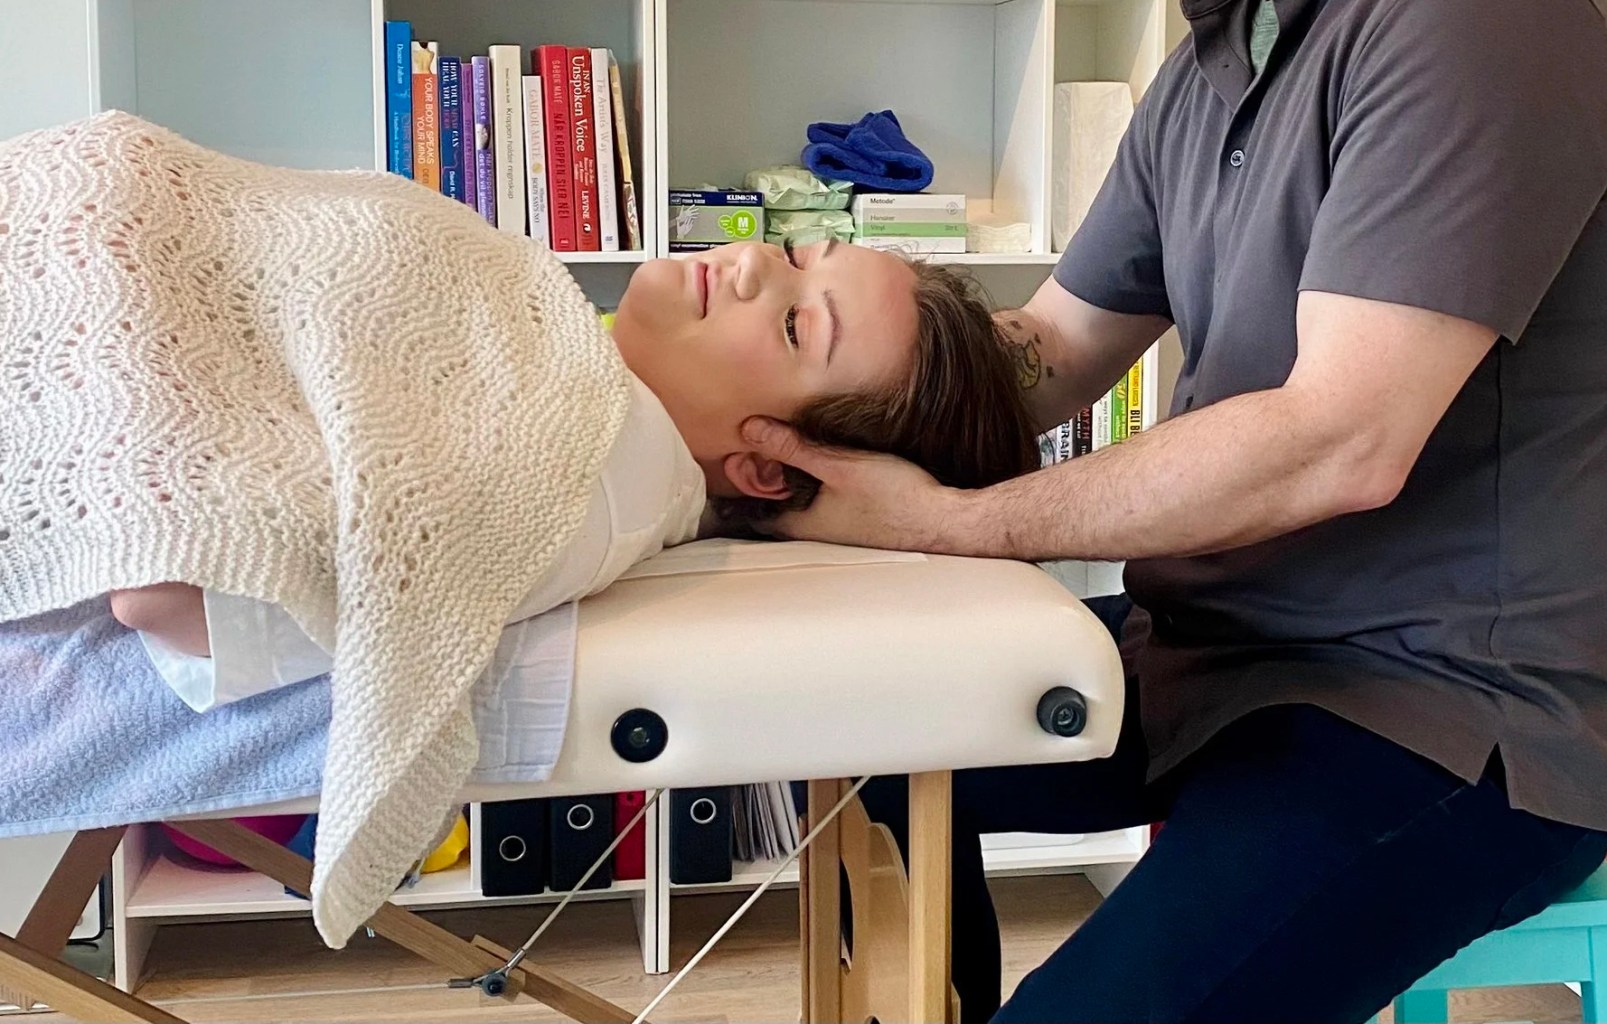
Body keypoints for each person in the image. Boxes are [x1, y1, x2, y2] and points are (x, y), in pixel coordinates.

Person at [741, 0, 1607, 1020]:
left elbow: (1341, 440)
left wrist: (943, 519)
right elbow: (1052, 350)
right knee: (859, 730)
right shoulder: (1209, 69)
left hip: (1444, 703)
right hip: (1210, 649)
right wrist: (801, 387)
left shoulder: (1473, 25)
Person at [106, 236, 1039, 705]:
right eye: (798, 252)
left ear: (766, 467)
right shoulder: (568, 371)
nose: (754, 261)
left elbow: (172, 591)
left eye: (797, 325)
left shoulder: (582, 486)